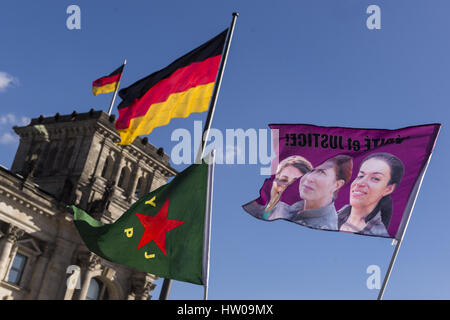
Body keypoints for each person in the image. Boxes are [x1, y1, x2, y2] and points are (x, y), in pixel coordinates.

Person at [338, 153, 404, 237]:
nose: (360, 183)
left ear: (388, 189)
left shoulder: (377, 235)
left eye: (375, 178)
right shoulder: (330, 217)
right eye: (361, 176)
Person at [290, 155, 353, 230]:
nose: (309, 178)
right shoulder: (290, 207)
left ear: (337, 185)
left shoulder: (323, 230)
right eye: (310, 170)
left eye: (322, 172)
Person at [242, 155, 313, 221]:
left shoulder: (304, 216)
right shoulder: (255, 207)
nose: (286, 187)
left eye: (294, 184)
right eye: (283, 180)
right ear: (275, 180)